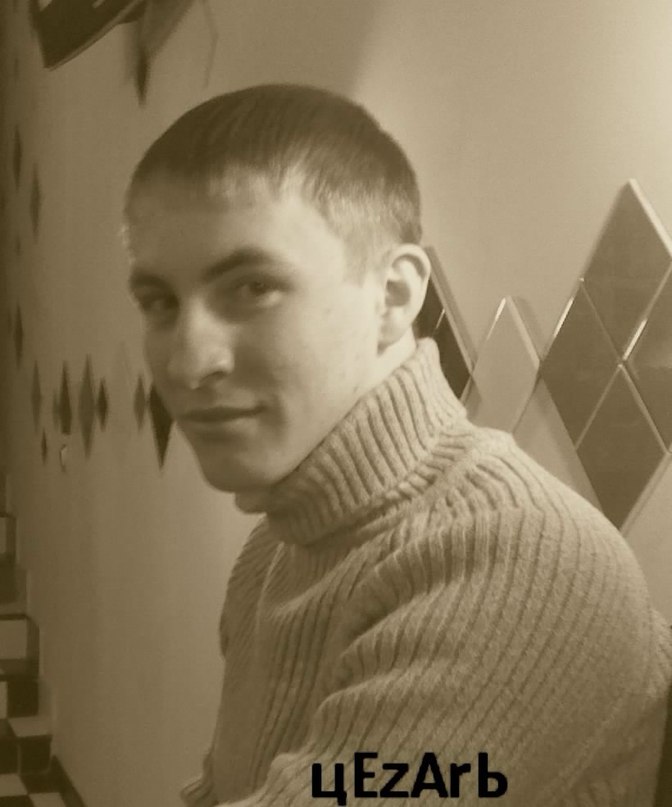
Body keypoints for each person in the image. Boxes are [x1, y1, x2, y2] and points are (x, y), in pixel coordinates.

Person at [123, 84, 672, 806]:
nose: (188, 362)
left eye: (252, 287)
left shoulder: (513, 559)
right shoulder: (275, 549)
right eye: (159, 302)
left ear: (393, 294)